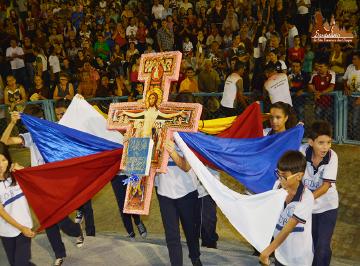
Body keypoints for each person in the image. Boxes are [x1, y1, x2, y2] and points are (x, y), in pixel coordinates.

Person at [1, 107, 84, 266]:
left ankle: (76, 230)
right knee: (47, 220)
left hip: (55, 184)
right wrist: (12, 123)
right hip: (37, 185)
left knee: (61, 221)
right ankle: (59, 253)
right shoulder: (31, 136)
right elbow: (4, 142)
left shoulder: (53, 132)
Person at [259, 150, 314, 266]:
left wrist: (267, 252)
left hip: (299, 259)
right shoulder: (277, 186)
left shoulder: (306, 198)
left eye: (284, 176)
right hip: (280, 254)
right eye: (278, 174)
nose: (280, 179)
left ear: (299, 176)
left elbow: (287, 229)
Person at [155, 139, 202, 266]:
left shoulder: (187, 133)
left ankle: (195, 257)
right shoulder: (157, 131)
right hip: (164, 192)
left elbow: (186, 166)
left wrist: (173, 152)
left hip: (187, 191)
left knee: (191, 230)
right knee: (172, 236)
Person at [300, 121, 339, 266]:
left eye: (329, 142)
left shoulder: (332, 156)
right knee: (307, 245)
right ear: (311, 142)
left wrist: (306, 199)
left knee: (322, 247)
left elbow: (326, 186)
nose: (326, 147)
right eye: (321, 142)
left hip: (327, 207)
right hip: (307, 208)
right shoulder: (302, 152)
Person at [0, 142, 36, 266]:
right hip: (6, 231)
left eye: (3, 160)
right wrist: (20, 228)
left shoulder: (16, 174)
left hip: (24, 226)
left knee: (20, 263)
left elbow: (37, 182)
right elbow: (2, 212)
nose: (0, 165)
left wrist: (24, 171)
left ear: (8, 159)